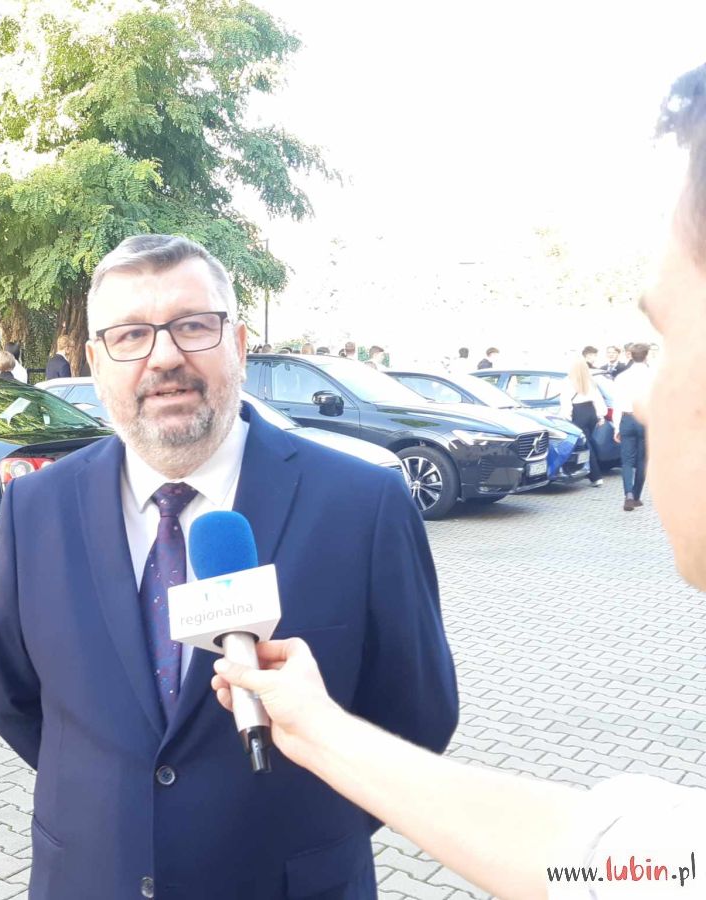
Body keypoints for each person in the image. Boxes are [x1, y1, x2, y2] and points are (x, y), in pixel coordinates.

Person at [211, 61, 706, 900]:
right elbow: (622, 862)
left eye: (667, 340)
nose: (642, 397)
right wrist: (321, 731)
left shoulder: (363, 496)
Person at [0, 234, 459, 900]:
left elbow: (418, 715)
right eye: (130, 335)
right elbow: (13, 701)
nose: (165, 357)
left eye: (193, 326)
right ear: (95, 362)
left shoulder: (363, 504)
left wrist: (314, 838)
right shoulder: (35, 507)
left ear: (237, 344)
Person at [613, 342, 654, 511]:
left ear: (631, 355)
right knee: (643, 460)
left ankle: (628, 494)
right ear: (646, 355)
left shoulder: (622, 377)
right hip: (645, 419)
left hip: (627, 418)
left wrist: (616, 427)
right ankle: (636, 495)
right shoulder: (653, 376)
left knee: (627, 461)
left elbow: (617, 404)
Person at [557, 357, 607, 486]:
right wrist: (601, 416)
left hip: (578, 412)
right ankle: (591, 473)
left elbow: (566, 402)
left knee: (585, 444)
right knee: (588, 441)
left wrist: (566, 418)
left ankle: (596, 476)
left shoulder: (568, 382)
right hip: (591, 411)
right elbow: (598, 400)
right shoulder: (591, 381)